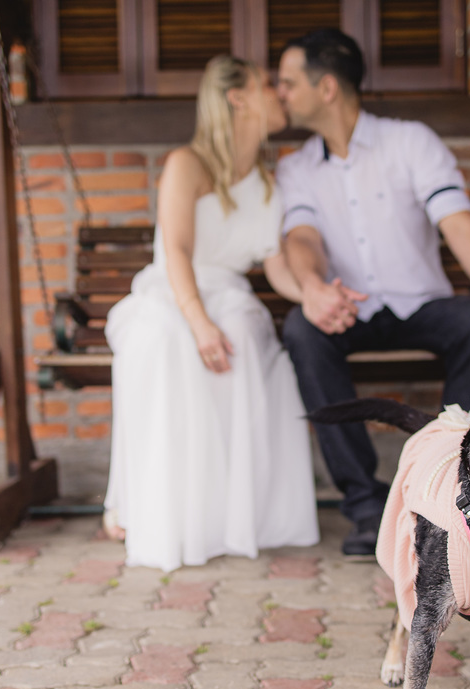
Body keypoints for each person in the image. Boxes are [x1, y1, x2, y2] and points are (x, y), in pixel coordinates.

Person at [275, 29, 470, 558]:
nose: (280, 93)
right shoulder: (295, 167)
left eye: (287, 82)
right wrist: (313, 290)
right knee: (301, 331)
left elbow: (458, 224)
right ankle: (366, 507)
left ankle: (458, 491)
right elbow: (301, 238)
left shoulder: (410, 141)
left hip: (421, 304)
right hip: (349, 309)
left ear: (326, 88)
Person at [102, 55, 319, 573]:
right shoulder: (188, 164)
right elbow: (175, 250)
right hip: (175, 290)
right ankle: (142, 506)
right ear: (238, 98)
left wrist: (309, 294)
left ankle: (227, 515)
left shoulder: (267, 183)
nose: (279, 94)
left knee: (242, 333)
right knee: (161, 338)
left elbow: (276, 267)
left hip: (230, 293)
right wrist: (198, 320)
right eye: (268, 85)